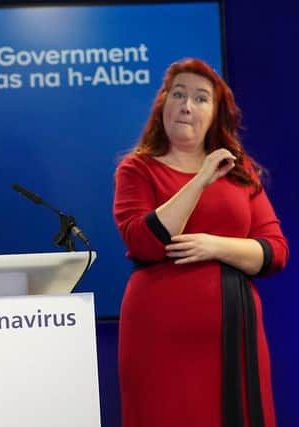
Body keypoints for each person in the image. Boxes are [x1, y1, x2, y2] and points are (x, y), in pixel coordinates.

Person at [113, 58, 289, 427]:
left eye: (200, 98)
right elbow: (145, 241)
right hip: (159, 336)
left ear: (215, 114)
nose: (187, 105)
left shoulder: (241, 172)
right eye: (178, 94)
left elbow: (274, 252)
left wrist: (215, 246)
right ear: (163, 104)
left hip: (234, 334)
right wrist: (201, 178)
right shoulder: (137, 169)